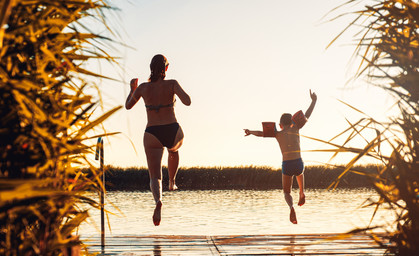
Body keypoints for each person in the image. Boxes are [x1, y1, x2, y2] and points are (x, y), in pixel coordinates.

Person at [125, 54, 191, 226]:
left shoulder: (143, 88)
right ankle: (172, 182)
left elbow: (128, 105)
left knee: (154, 175)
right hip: (172, 129)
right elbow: (188, 101)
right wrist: (175, 95)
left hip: (152, 132)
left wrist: (133, 89)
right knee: (173, 150)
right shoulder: (172, 84)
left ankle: (158, 201)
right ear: (166, 68)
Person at [244, 90, 317, 224]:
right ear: (292, 122)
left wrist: (250, 132)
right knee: (300, 172)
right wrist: (313, 101)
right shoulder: (296, 128)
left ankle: (291, 206)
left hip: (287, 165)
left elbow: (261, 133)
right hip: (298, 163)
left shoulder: (277, 133)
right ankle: (301, 192)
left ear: (280, 125)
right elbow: (307, 115)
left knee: (287, 193)